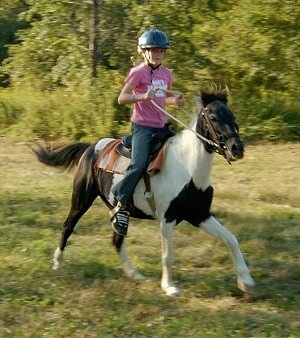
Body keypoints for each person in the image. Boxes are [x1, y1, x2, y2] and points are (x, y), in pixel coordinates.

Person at [110, 28, 185, 237]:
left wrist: (175, 100)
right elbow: (122, 98)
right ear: (143, 52)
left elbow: (162, 98)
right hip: (142, 127)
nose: (158, 54)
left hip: (162, 126)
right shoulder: (138, 72)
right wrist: (142, 96)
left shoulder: (166, 74)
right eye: (153, 51)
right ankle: (121, 201)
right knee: (139, 163)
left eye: (161, 51)